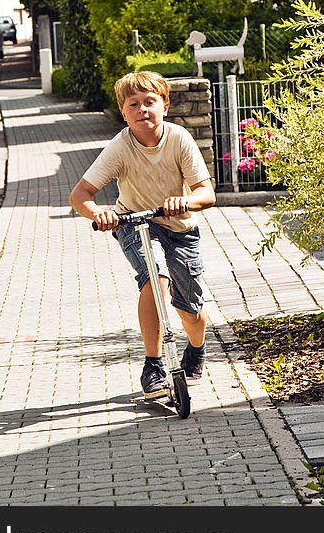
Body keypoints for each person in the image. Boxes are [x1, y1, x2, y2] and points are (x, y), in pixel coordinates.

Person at [69, 71, 216, 399]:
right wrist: (100, 213)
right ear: (124, 113)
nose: (142, 109)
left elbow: (206, 194)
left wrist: (185, 201)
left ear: (164, 105)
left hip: (180, 229)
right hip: (135, 224)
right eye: (133, 104)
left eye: (149, 102)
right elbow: (80, 195)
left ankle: (196, 349)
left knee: (191, 311)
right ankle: (153, 364)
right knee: (154, 277)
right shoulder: (120, 147)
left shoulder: (178, 139)